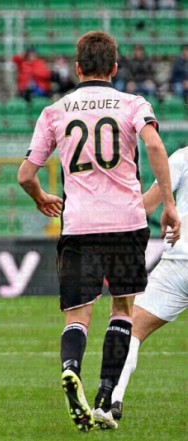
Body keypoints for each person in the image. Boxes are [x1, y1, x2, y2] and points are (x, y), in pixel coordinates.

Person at [17, 31, 181, 432]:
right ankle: (106, 397)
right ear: (115, 68)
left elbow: (25, 175)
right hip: (126, 223)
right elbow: (155, 147)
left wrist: (40, 197)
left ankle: (71, 368)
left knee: (78, 315)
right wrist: (170, 205)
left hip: (79, 224)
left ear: (77, 68)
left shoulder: (55, 111)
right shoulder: (133, 104)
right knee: (122, 310)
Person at [109, 146, 187, 421]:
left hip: (180, 263)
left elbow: (146, 206)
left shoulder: (182, 157)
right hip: (178, 262)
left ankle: (112, 399)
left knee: (131, 328)